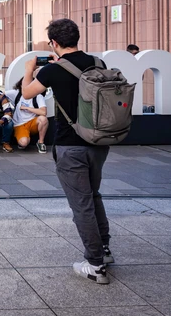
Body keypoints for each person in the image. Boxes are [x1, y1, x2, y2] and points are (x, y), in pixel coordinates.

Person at [21, 18, 113, 284]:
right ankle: (104, 250)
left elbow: (27, 93)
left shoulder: (53, 71)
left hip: (70, 145)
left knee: (81, 205)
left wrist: (30, 69)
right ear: (76, 38)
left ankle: (95, 264)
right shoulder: (98, 63)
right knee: (94, 196)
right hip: (98, 142)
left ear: (55, 42)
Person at [5, 75, 48, 153]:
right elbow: (0, 93)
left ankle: (41, 142)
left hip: (32, 123)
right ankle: (22, 139)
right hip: (19, 124)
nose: (26, 87)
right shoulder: (16, 94)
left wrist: (27, 108)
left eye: (29, 85)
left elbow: (43, 112)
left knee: (43, 119)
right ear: (20, 85)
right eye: (24, 84)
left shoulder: (38, 96)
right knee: (24, 143)